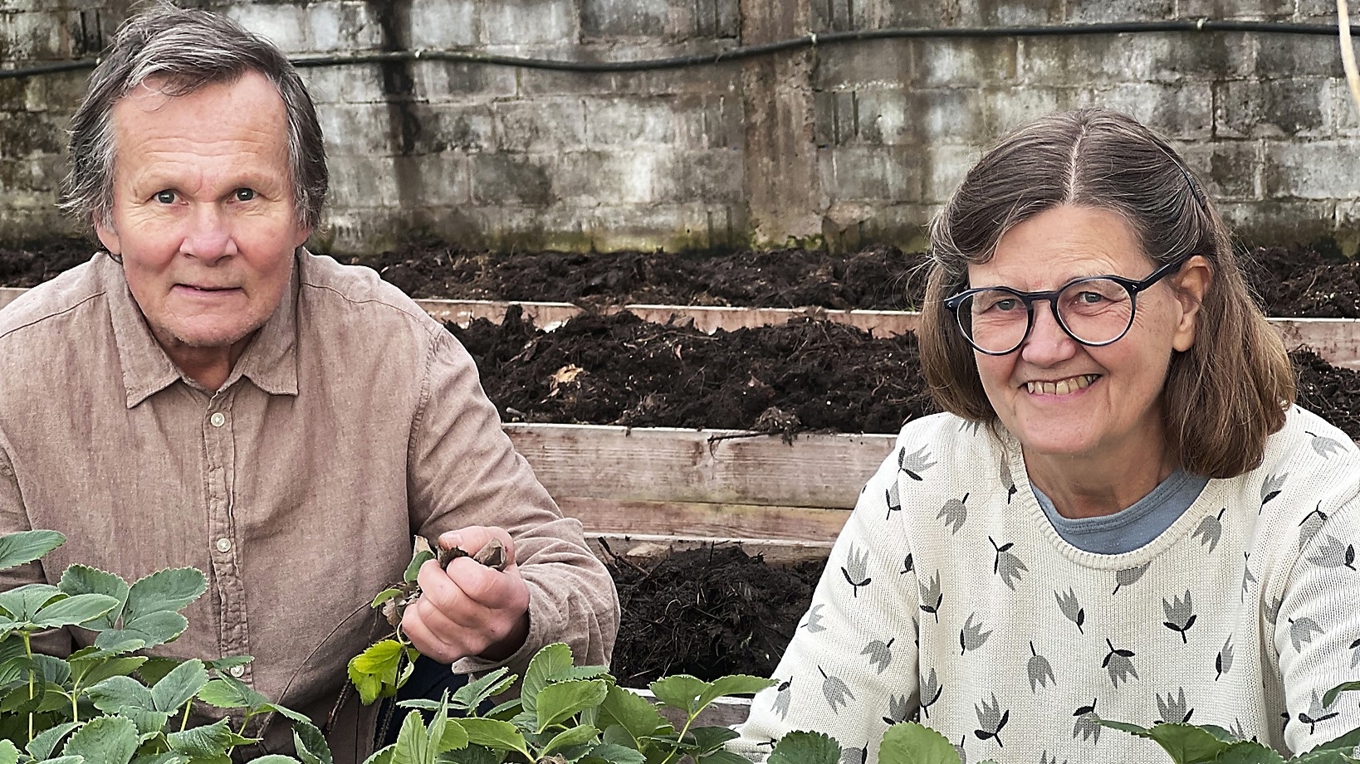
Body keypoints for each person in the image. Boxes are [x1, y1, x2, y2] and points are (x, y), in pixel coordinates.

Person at [0, 4, 618, 760]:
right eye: (165, 197)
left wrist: (510, 617)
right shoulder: (15, 378)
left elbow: (574, 586)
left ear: (305, 211)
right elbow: (16, 674)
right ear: (104, 216)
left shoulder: (394, 351)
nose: (209, 242)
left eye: (245, 195)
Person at [731, 108, 1360, 763]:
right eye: (1002, 304)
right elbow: (786, 747)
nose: (1047, 347)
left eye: (1090, 296)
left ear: (1187, 302)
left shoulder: (1317, 508)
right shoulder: (928, 481)